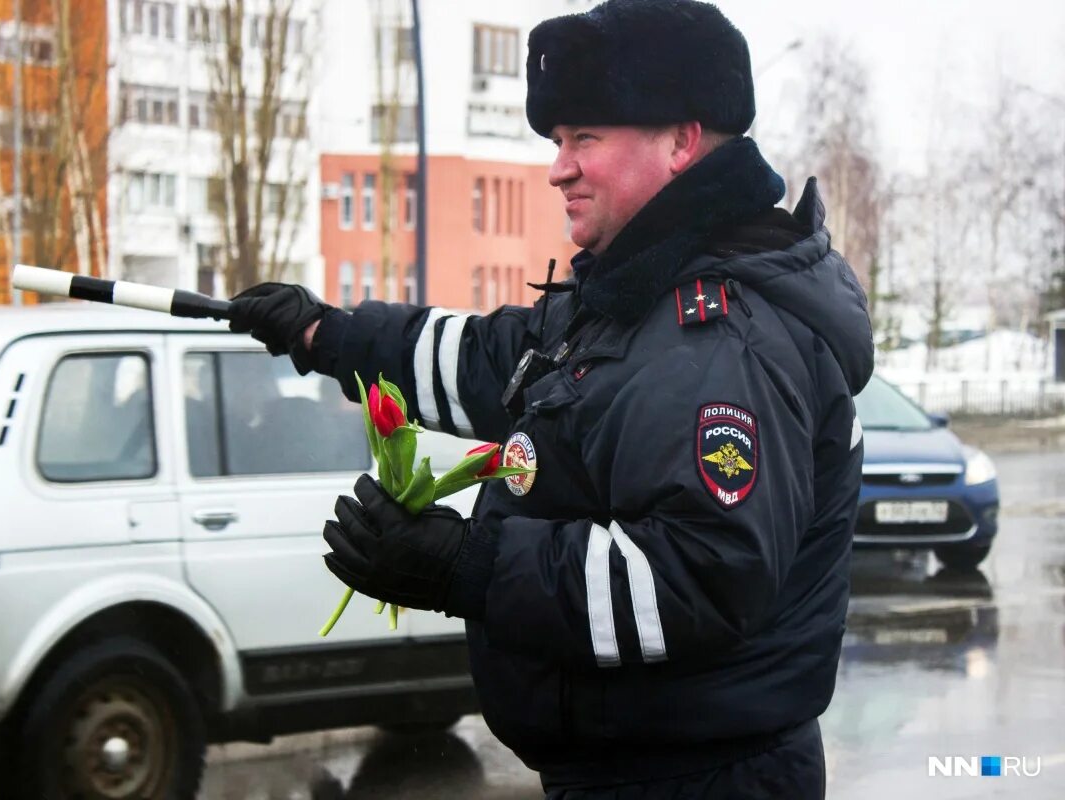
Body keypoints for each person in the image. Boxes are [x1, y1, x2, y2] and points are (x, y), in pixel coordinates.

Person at [227, 0, 874, 796]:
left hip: (698, 780)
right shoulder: (635, 296)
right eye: (558, 141)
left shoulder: (720, 335)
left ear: (681, 139)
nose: (557, 168)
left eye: (585, 139)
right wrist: (328, 335)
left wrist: (469, 566)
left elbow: (701, 578)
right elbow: (492, 361)